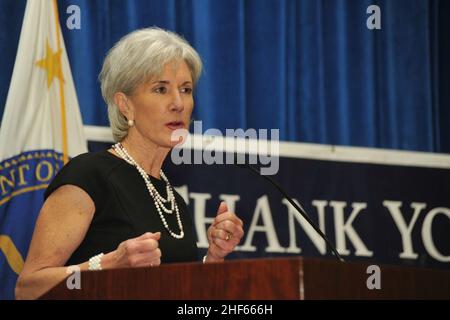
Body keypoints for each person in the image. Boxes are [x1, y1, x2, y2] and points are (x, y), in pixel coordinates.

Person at [15, 27, 245, 300]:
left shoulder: (172, 198)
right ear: (125, 105)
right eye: (160, 89)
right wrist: (109, 264)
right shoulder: (88, 177)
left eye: (186, 89)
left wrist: (214, 258)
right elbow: (28, 288)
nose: (178, 103)